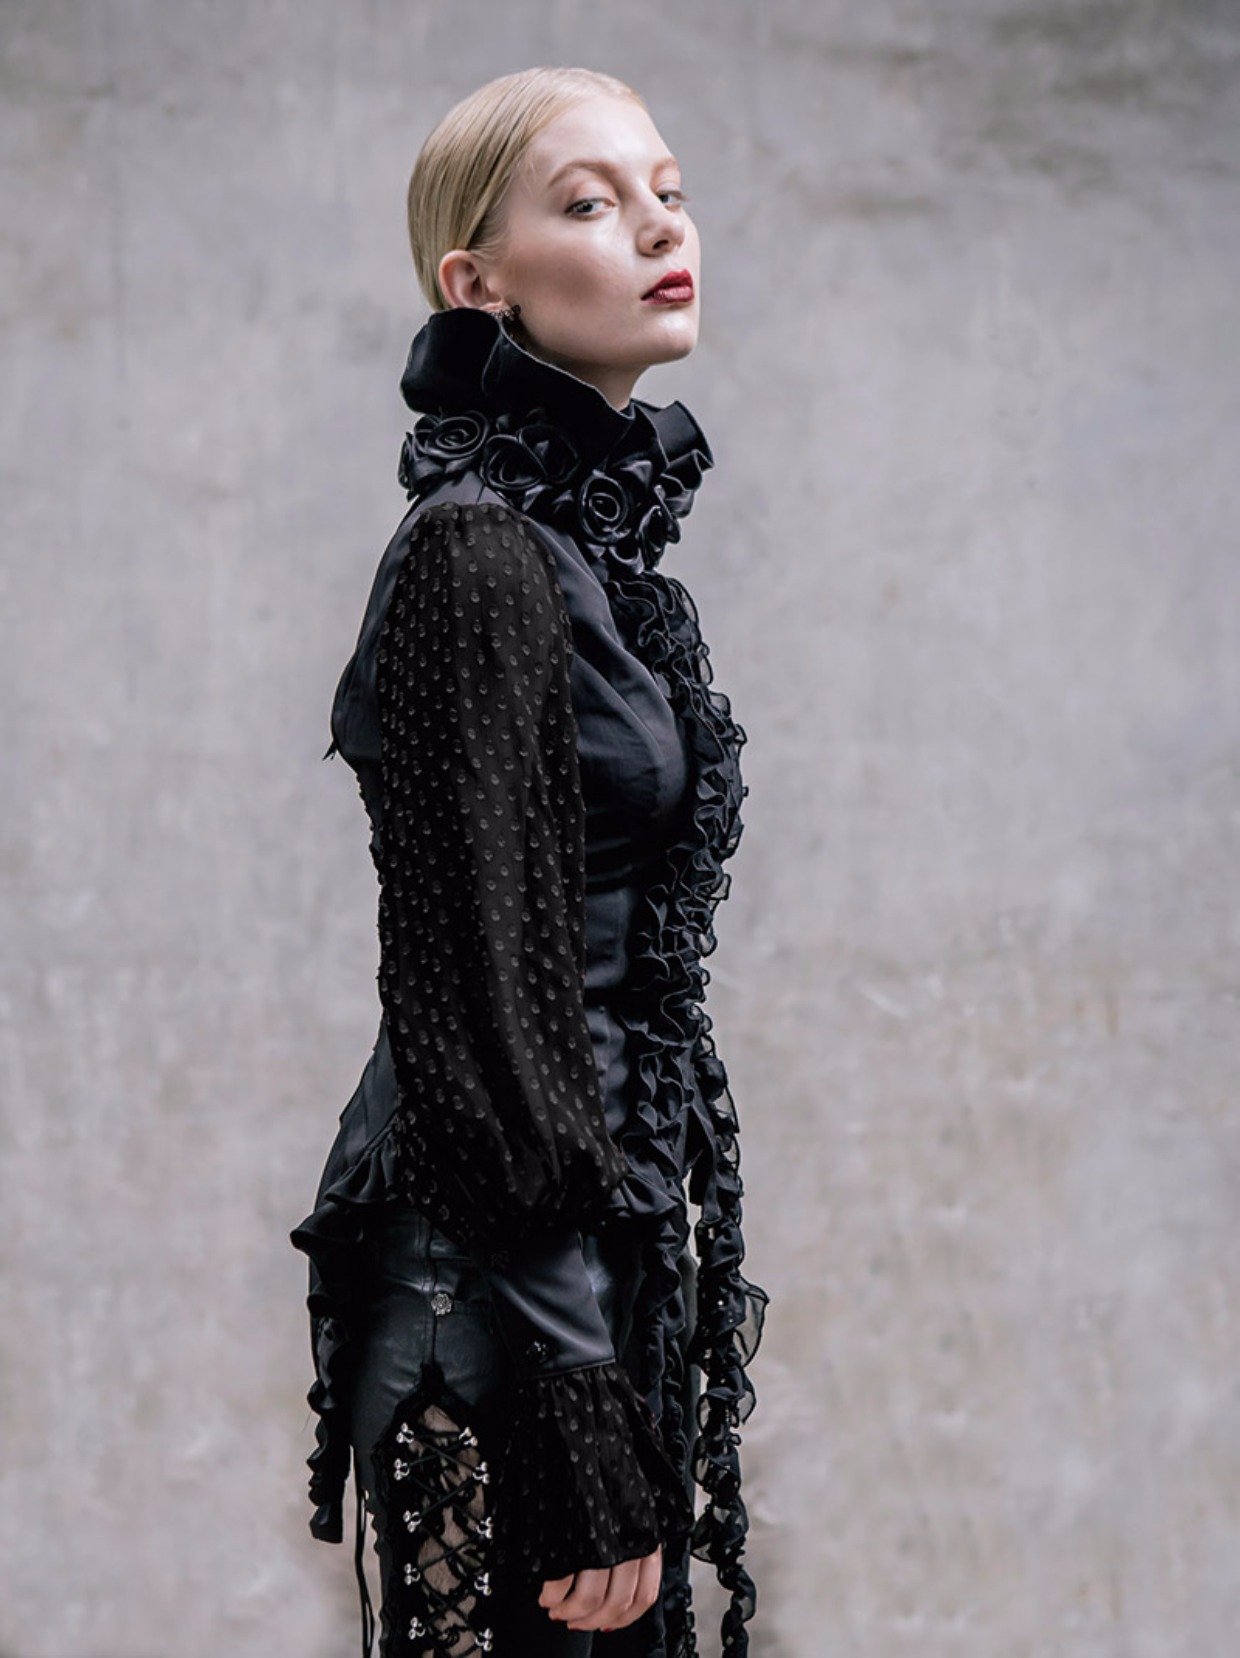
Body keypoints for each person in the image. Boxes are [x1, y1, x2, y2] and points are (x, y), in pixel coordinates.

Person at [291, 66, 767, 1658]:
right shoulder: (479, 551)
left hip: (571, 1262)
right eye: (590, 202)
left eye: (668, 192)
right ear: (476, 283)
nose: (659, 227)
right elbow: (474, 998)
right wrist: (572, 1381)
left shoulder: (583, 549)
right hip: (498, 1292)